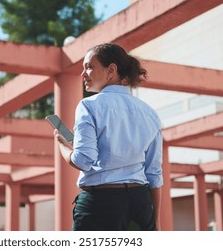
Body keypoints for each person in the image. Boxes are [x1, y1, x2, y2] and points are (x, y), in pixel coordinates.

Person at [54, 43, 163, 231]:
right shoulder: (150, 113)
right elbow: (153, 173)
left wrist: (62, 145)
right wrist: (155, 221)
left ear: (111, 70)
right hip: (140, 204)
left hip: (101, 203)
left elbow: (83, 160)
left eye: (88, 66)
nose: (83, 74)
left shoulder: (89, 105)